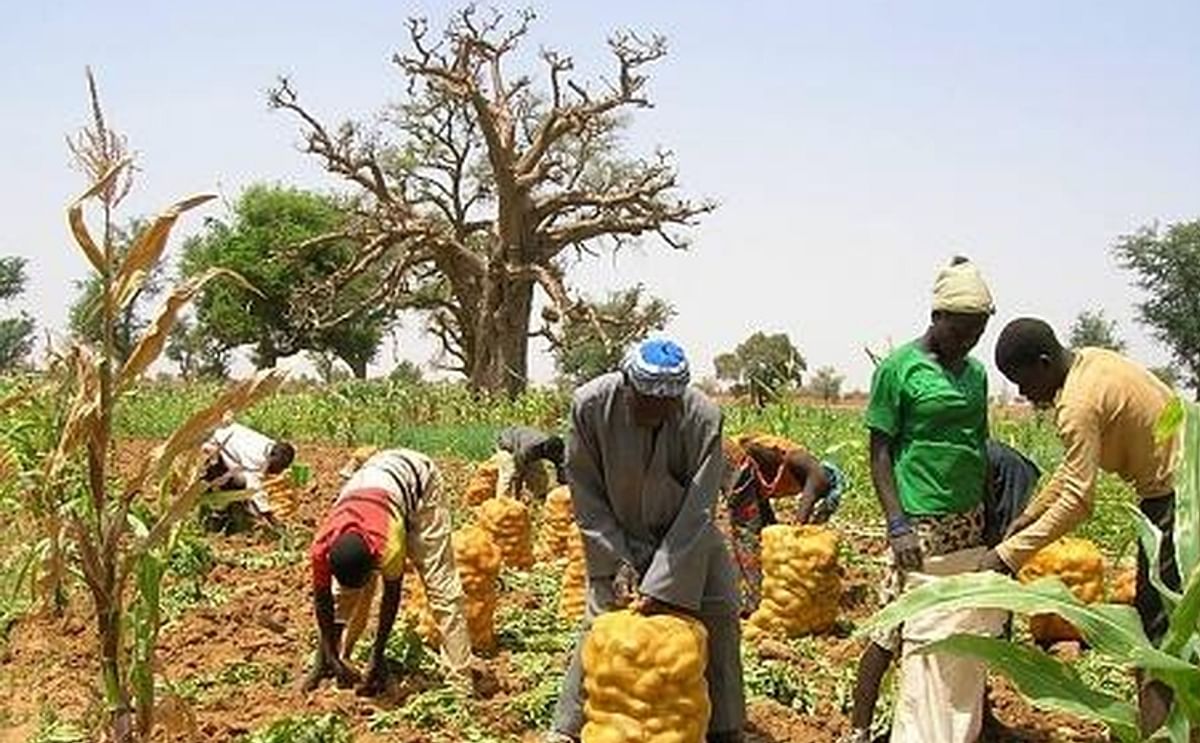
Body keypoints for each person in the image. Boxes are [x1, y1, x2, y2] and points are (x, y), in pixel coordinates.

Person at [983, 317, 1180, 735]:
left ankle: (1161, 734)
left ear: (1042, 362)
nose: (1022, 393)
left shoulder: (1076, 403)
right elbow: (1073, 472)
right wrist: (1030, 514)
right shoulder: (1091, 363)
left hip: (1177, 503)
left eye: (1022, 381)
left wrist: (1007, 556)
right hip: (1182, 486)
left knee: (1156, 637)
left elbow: (1078, 499)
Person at [547, 339, 745, 743]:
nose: (657, 414)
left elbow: (699, 507)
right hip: (617, 533)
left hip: (687, 540)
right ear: (626, 385)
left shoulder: (703, 417)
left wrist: (662, 584)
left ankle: (725, 728)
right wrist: (616, 559)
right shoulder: (590, 406)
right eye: (647, 403)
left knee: (721, 612)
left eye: (667, 405)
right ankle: (567, 728)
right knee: (602, 624)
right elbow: (587, 493)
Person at [843, 256, 995, 743]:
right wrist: (897, 523)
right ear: (937, 318)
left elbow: (979, 442)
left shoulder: (974, 374)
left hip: (967, 519)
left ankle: (969, 720)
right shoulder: (899, 369)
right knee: (893, 625)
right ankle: (860, 728)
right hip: (918, 520)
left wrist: (989, 514)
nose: (968, 341)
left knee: (965, 624)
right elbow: (880, 453)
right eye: (961, 330)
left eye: (977, 332)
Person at [302, 447, 482, 697]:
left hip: (420, 481)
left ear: (375, 560)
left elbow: (391, 599)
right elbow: (323, 602)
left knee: (440, 585)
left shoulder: (388, 545)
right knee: (342, 595)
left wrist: (378, 655)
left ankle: (460, 683)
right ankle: (338, 660)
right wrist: (327, 657)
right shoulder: (322, 547)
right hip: (375, 484)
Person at [722, 433, 846, 615]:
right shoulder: (819, 477)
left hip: (743, 467)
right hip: (735, 457)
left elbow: (762, 500)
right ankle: (752, 601)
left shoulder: (803, 473)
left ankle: (754, 591)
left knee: (764, 532)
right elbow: (799, 526)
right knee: (747, 532)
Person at [201, 419, 295, 531]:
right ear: (272, 461)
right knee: (233, 483)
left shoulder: (270, 446)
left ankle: (235, 510)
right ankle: (218, 516)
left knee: (240, 482)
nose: (278, 471)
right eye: (279, 468)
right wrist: (269, 516)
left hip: (226, 440)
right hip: (212, 445)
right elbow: (255, 489)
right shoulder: (256, 458)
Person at [492, 426, 567, 500]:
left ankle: (534, 499)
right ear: (546, 449)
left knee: (540, 475)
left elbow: (560, 466)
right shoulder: (529, 448)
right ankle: (502, 502)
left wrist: (563, 483)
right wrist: (518, 487)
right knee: (509, 475)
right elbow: (519, 466)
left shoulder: (555, 450)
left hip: (527, 450)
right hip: (508, 446)